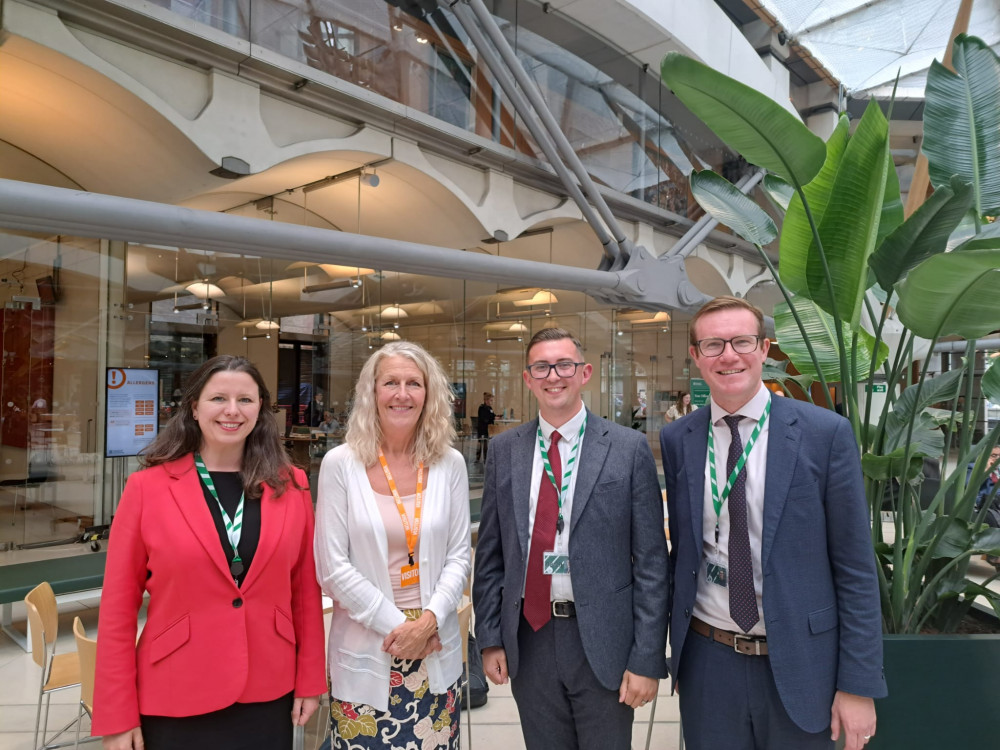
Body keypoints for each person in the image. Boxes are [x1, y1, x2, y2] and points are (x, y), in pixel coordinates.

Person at [659, 296, 885, 750]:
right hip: (708, 658)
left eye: (741, 341)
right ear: (696, 357)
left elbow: (856, 569)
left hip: (803, 662)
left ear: (764, 349)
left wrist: (858, 684)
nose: (728, 355)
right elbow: (683, 553)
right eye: (713, 345)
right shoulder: (678, 438)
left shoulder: (824, 434)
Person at [93, 355, 326, 750]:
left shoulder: (293, 485)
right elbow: (117, 609)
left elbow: (305, 592)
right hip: (175, 688)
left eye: (246, 400)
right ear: (194, 408)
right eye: (218, 398)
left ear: (261, 410)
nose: (232, 411)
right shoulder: (146, 488)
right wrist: (117, 715)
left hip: (267, 690)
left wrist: (310, 680)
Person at [473, 327, 669, 750]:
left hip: (604, 639)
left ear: (585, 373)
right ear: (528, 378)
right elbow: (490, 555)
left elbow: (653, 562)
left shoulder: (627, 448)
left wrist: (647, 657)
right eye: (541, 366)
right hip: (530, 637)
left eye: (564, 364)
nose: (553, 375)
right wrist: (489, 637)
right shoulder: (506, 451)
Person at [315, 341, 471, 750]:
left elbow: (459, 555)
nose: (402, 394)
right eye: (391, 383)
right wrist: (400, 629)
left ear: (428, 394)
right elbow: (331, 567)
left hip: (435, 646)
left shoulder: (449, 463)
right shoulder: (340, 465)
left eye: (413, 383)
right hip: (370, 644)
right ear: (372, 392)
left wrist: (429, 622)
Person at [476, 392, 495, 462]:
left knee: (486, 443)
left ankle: (486, 458)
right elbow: (485, 419)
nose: (492, 402)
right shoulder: (482, 408)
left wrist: (496, 417)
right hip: (483, 429)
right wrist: (492, 418)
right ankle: (482, 458)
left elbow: (492, 415)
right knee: (482, 444)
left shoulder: (490, 408)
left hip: (488, 429)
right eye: (491, 400)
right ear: (486, 400)